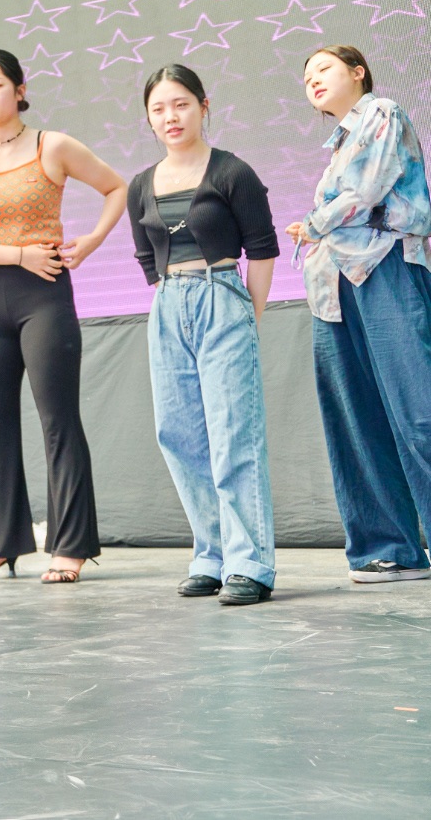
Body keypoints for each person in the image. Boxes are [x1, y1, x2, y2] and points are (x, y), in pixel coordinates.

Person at [0, 49, 126, 584]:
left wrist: (91, 240)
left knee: (58, 420)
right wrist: (19, 254)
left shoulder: (54, 145)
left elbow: (116, 187)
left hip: (45, 294)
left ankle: (71, 547)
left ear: (20, 90)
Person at [128, 65, 279, 606]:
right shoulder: (140, 185)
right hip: (168, 305)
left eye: (181, 104)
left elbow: (262, 250)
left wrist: (244, 315)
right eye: (159, 109)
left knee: (234, 431)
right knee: (179, 434)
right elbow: (147, 258)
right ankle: (211, 556)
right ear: (149, 119)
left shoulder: (232, 171)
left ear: (203, 106)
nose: (171, 117)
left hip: (223, 295)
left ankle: (250, 563)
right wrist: (174, 300)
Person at [287, 45, 431, 584]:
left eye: (323, 67)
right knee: (356, 421)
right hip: (333, 287)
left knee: (418, 410)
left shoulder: (382, 112)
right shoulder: (338, 144)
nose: (313, 79)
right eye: (306, 76)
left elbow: (366, 190)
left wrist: (314, 223)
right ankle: (390, 548)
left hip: (386, 266)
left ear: (358, 71)